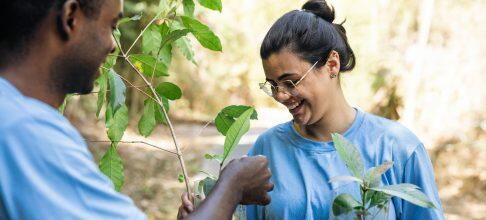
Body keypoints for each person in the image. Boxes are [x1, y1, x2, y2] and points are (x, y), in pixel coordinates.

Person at [0, 0, 273, 219]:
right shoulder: (29, 133)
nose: (111, 46)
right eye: (111, 25)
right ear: (71, 17)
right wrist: (233, 185)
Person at [179, 0, 444, 219]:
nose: (281, 95)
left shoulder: (398, 149)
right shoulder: (266, 151)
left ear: (331, 65)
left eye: (291, 82)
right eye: (272, 85)